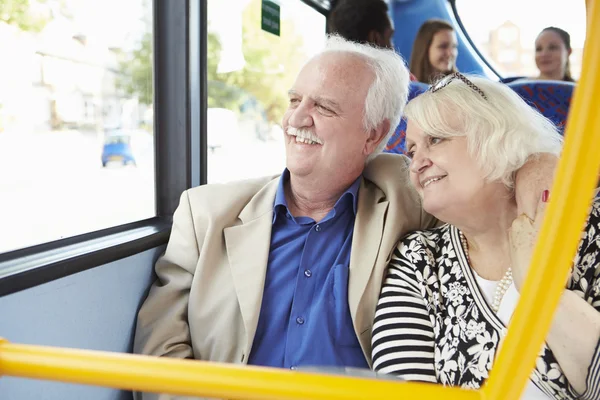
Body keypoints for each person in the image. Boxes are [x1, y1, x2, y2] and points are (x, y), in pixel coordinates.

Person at [134, 37, 556, 400]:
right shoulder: (206, 212)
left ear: (374, 134)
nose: (296, 119)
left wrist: (539, 167)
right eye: (295, 100)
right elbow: (158, 352)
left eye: (325, 108)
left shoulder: (412, 190)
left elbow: (494, 163)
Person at [371, 72, 600, 399]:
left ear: (495, 136)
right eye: (410, 151)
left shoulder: (590, 223)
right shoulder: (419, 259)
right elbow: (401, 391)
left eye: (436, 139)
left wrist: (540, 288)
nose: (417, 163)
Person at [409, 19, 458, 84]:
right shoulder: (408, 87)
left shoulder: (462, 85)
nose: (451, 53)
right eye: (443, 46)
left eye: (454, 46)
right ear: (425, 49)